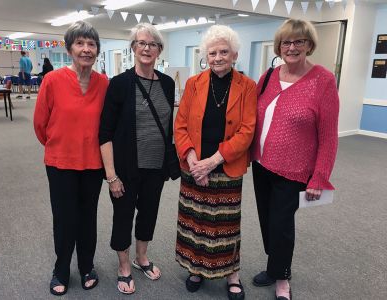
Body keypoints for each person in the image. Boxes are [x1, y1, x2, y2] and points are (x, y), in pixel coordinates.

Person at [250, 19, 339, 300]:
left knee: (281, 225)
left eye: (299, 41)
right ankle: (273, 264)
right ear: (279, 47)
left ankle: (282, 277)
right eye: (286, 42)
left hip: (294, 170)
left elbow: (329, 136)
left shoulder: (323, 80)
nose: (292, 47)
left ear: (309, 45)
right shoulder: (268, 77)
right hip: (261, 164)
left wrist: (320, 176)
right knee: (267, 221)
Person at [174, 24, 257, 300]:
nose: (218, 57)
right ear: (205, 56)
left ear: (234, 55)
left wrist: (212, 162)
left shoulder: (247, 86)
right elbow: (181, 125)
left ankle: (232, 274)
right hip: (194, 167)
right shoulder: (193, 84)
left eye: (224, 52)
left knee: (225, 227)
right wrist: (194, 161)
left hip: (226, 168)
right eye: (212, 53)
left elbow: (247, 130)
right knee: (196, 222)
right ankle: (195, 268)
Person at [33, 20, 108, 296]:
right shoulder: (52, 80)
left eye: (91, 44)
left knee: (88, 217)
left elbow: (107, 125)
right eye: (80, 43)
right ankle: (61, 269)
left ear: (97, 50)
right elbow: (40, 124)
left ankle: (87, 266)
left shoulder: (103, 83)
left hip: (92, 164)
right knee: (65, 218)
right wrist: (59, 146)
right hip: (60, 163)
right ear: (69, 48)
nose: (86, 49)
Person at [99, 23, 175, 295]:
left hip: (156, 167)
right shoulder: (119, 84)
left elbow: (168, 126)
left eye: (152, 44)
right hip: (125, 169)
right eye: (141, 43)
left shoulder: (168, 83)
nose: (146, 48)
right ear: (133, 48)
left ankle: (141, 257)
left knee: (148, 215)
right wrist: (111, 176)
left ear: (159, 50)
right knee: (123, 216)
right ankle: (123, 267)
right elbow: (105, 132)